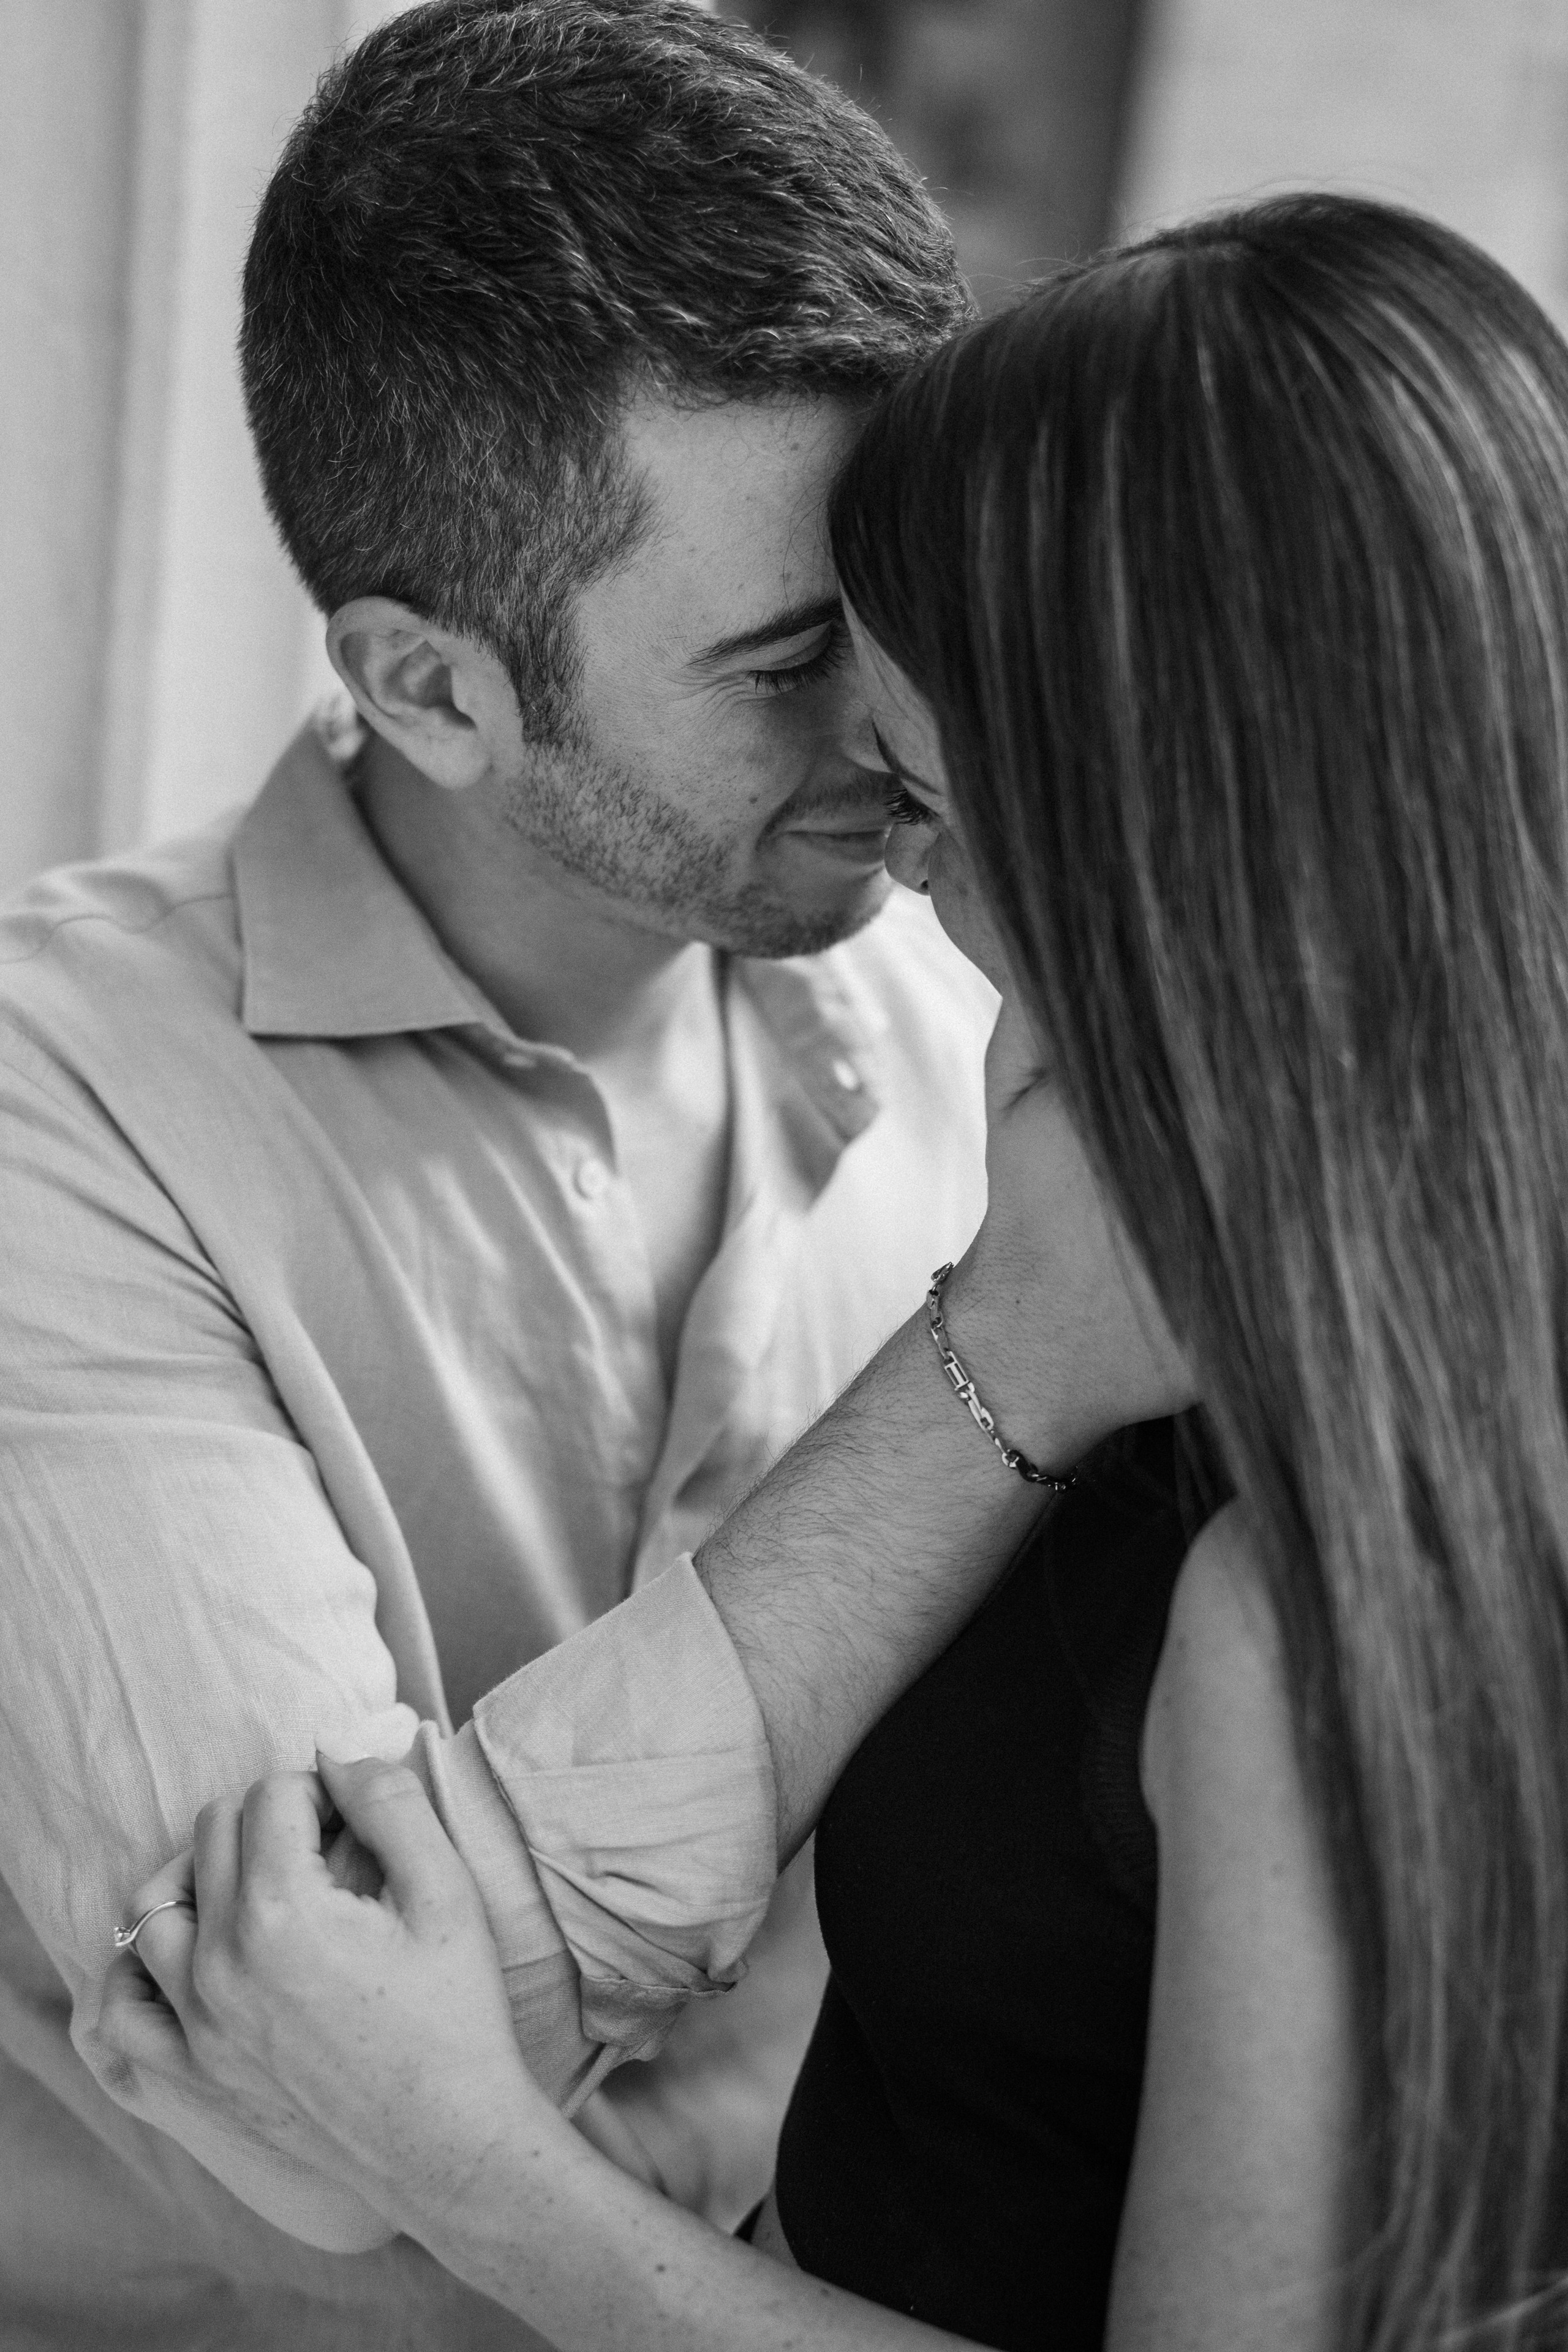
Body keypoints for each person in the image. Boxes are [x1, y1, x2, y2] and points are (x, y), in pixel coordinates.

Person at [107, 190, 1568, 2350]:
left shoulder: (1320, 1600)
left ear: (1171, 837)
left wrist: (466, 2168)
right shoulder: (1255, 1330)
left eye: (931, 802)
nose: (907, 891)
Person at [0, 4, 1000, 2344]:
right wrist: (1009, 1371)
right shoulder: (60, 1114)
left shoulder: (970, 1019)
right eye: (784, 659)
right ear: (429, 687)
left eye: (911, 602)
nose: (901, 719)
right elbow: (294, 2139)